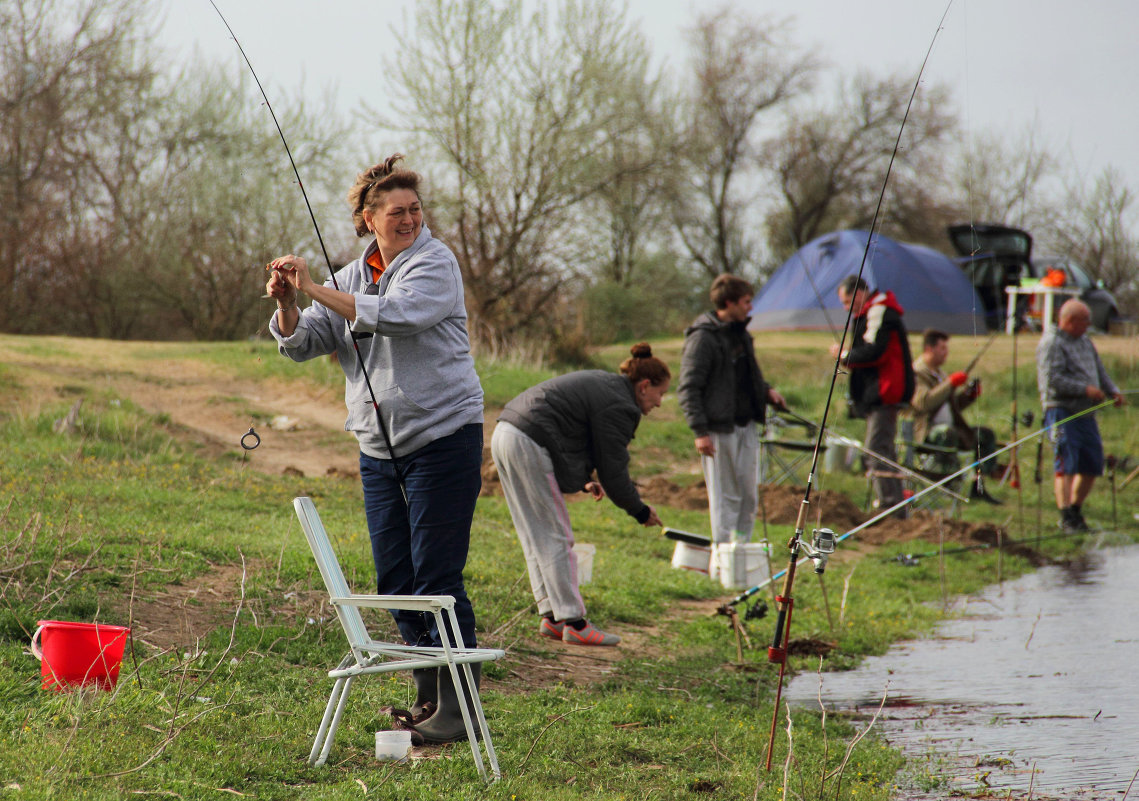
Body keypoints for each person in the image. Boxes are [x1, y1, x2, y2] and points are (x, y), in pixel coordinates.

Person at [265, 154, 484, 744]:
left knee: (437, 576)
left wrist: (314, 286)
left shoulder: (435, 263)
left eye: (415, 209)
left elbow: (400, 316)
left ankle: (460, 708)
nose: (410, 219)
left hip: (444, 438)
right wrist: (290, 300)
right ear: (369, 219)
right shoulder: (348, 278)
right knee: (395, 577)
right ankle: (429, 690)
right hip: (378, 449)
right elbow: (305, 341)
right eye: (396, 212)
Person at [491, 344, 669, 647]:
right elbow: (614, 473)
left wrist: (583, 479)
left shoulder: (608, 386)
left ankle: (552, 617)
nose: (660, 403)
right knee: (555, 536)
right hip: (530, 441)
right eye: (660, 394)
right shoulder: (621, 405)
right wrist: (639, 510)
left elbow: (571, 432)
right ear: (644, 386)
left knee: (535, 533)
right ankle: (575, 622)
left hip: (506, 434)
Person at [677, 274, 785, 544]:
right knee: (725, 496)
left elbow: (746, 374)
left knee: (748, 495)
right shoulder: (702, 338)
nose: (750, 308)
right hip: (717, 429)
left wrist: (766, 390)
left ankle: (741, 548)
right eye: (746, 302)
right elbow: (688, 388)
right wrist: (699, 431)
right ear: (729, 302)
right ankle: (725, 557)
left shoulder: (742, 334)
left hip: (746, 424)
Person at [830, 275, 915, 518]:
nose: (847, 308)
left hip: (885, 392)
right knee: (884, 449)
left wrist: (845, 355)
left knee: (875, 450)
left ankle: (891, 508)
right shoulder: (874, 311)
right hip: (878, 393)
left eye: (848, 302)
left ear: (859, 293)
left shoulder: (879, 310)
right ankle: (896, 507)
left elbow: (875, 351)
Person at [1036, 299, 1124, 532]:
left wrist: (1112, 390)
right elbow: (1052, 380)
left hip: (1086, 412)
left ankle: (1076, 511)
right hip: (1061, 410)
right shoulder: (1051, 343)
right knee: (1066, 463)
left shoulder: (1085, 342)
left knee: (1092, 463)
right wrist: (1085, 390)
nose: (1088, 325)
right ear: (1069, 320)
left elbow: (1099, 371)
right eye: (1085, 321)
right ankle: (1065, 516)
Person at [909, 329, 1000, 503]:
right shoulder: (917, 373)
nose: (946, 353)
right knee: (946, 433)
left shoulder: (940, 374)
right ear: (929, 349)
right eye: (942, 348)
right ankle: (947, 483)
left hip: (952, 429)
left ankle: (978, 486)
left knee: (984, 435)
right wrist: (950, 383)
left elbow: (950, 406)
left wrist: (968, 396)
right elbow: (924, 403)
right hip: (927, 433)